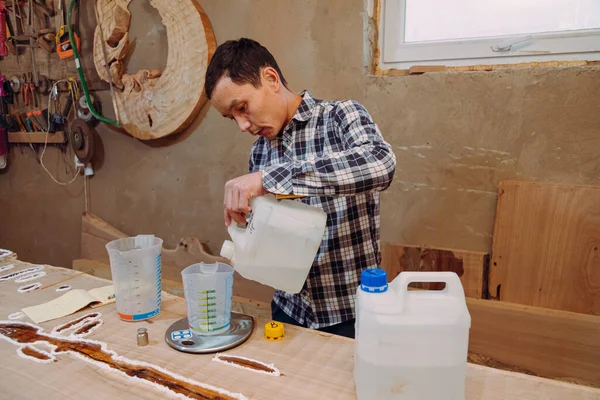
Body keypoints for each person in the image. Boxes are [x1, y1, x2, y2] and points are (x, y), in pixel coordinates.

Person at [204, 38, 396, 338]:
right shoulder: (260, 152)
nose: (243, 125)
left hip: (352, 313)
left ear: (270, 78)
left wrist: (270, 180)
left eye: (242, 107)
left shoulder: (340, 116)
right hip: (288, 310)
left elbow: (380, 163)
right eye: (233, 118)